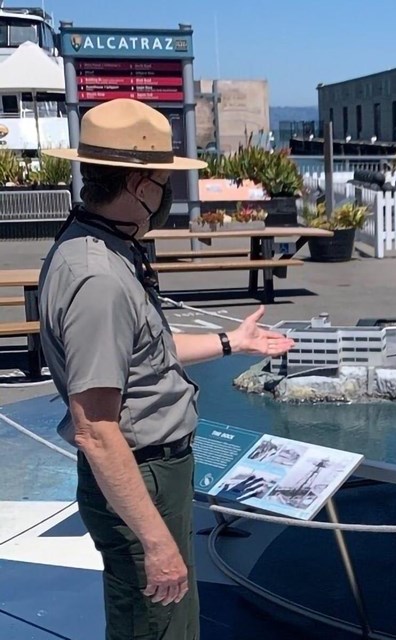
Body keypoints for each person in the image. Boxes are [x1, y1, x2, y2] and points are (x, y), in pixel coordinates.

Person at [38, 98, 295, 640]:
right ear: (137, 186)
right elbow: (96, 428)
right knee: (158, 625)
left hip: (152, 473)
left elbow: (142, 354)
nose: (168, 197)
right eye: (163, 183)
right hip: (141, 476)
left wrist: (231, 342)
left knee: (162, 621)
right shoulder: (100, 280)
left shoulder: (102, 247)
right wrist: (157, 543)